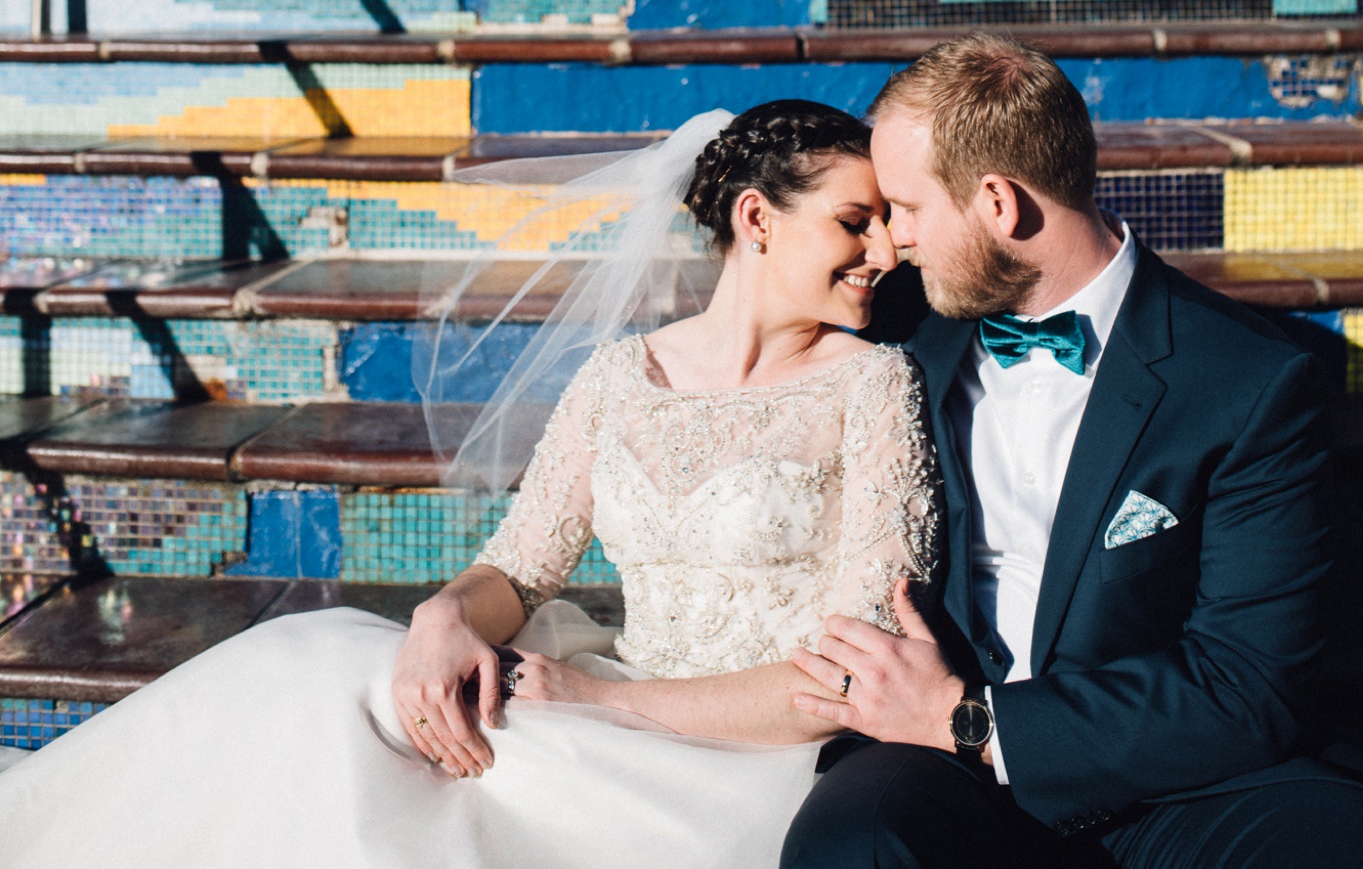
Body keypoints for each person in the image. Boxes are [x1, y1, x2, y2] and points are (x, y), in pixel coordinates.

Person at [0, 101, 938, 869]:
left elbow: (859, 674)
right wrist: (443, 616)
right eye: (855, 223)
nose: (883, 254)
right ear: (757, 218)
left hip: (744, 754)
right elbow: (523, 566)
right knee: (314, 662)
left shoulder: (873, 384)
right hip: (591, 692)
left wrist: (599, 701)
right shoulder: (620, 375)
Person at [783, 36, 1363, 869]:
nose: (889, 242)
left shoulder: (1250, 381)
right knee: (853, 847)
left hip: (1163, 784)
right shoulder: (896, 327)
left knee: (1351, 842)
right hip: (925, 771)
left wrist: (967, 718)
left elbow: (1249, 683)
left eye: (907, 207)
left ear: (999, 203)